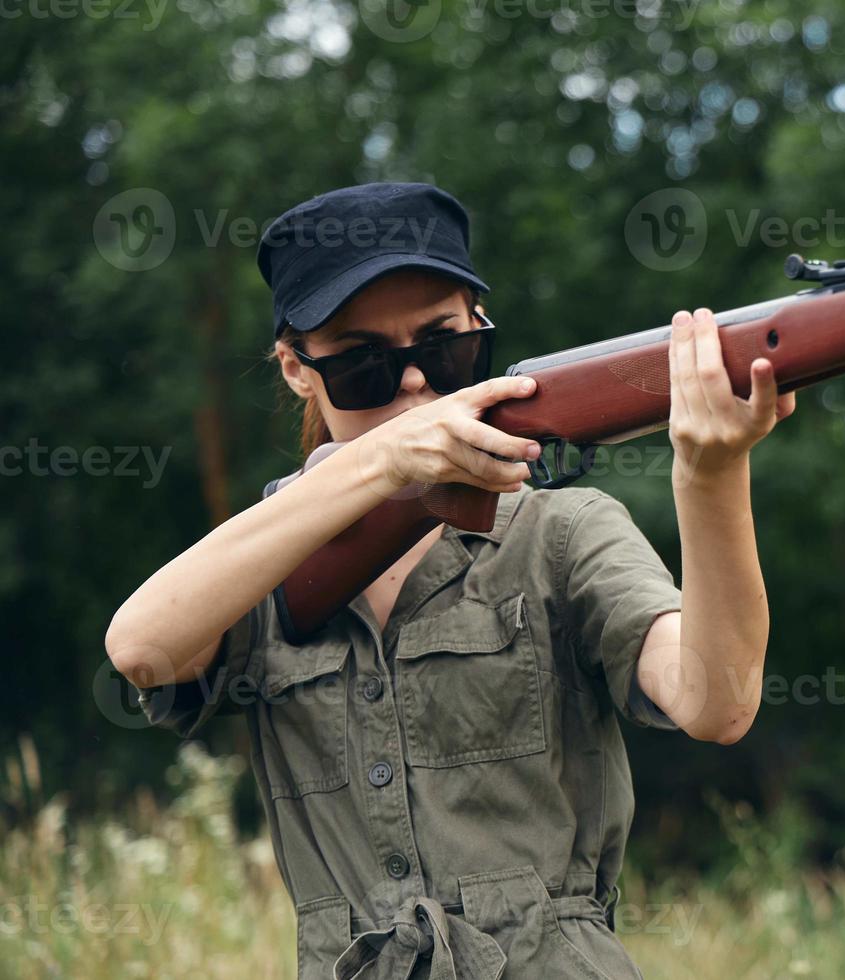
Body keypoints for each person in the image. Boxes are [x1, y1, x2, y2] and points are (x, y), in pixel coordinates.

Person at [104, 182, 794, 979]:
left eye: (442, 350)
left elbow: (718, 702)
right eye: (363, 365)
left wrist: (712, 478)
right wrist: (382, 463)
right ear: (297, 369)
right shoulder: (260, 566)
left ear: (480, 330)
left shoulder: (560, 533)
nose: (413, 389)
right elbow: (140, 649)